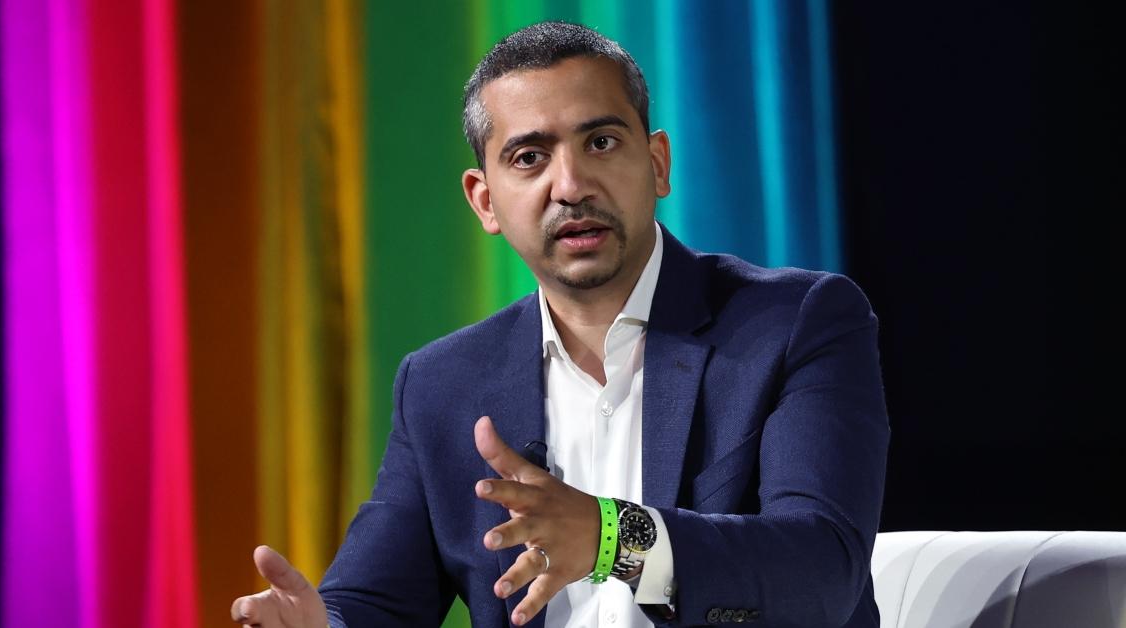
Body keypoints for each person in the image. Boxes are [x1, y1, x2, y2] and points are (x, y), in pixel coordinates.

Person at [231, 21, 889, 628]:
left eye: (600, 142)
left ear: (657, 163)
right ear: (485, 201)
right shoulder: (442, 383)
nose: (570, 184)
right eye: (529, 158)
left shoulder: (795, 323)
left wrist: (615, 540)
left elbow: (821, 572)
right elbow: (376, 601)